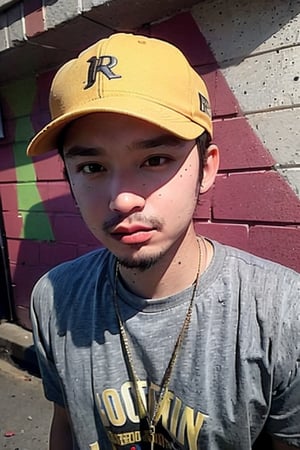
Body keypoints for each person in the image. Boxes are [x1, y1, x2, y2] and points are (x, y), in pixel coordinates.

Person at [26, 33, 300, 450]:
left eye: (155, 160)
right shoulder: (54, 298)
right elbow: (66, 424)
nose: (122, 198)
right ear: (68, 176)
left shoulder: (281, 313)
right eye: (92, 166)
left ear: (206, 168)